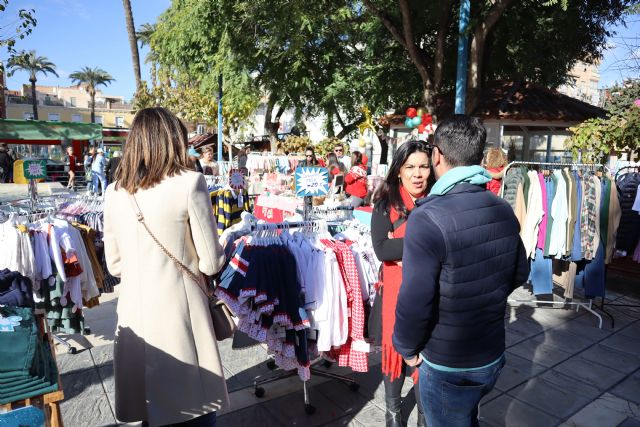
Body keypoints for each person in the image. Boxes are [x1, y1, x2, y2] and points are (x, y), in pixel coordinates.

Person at [392, 115, 529, 427]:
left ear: (436, 155)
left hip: (447, 362)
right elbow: (520, 271)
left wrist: (406, 347)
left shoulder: (427, 217)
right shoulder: (501, 208)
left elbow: (416, 298)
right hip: (491, 354)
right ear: (479, 157)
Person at [104, 107, 228, 427]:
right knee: (193, 406)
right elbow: (211, 261)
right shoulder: (189, 182)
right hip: (180, 312)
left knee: (149, 407)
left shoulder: (114, 192)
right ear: (173, 140)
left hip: (134, 313)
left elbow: (114, 264)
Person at [371, 140, 432, 427]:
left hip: (430, 296)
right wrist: (424, 245)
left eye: (423, 166)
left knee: (426, 356)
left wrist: (403, 246)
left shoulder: (437, 201)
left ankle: (424, 415)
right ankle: (393, 413)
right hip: (393, 296)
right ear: (398, 171)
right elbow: (382, 250)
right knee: (393, 352)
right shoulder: (385, 205)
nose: (417, 173)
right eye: (410, 167)